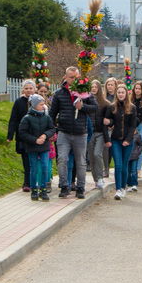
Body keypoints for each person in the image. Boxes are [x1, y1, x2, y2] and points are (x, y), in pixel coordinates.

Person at [48, 67, 97, 199]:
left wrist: (83, 107)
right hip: (64, 132)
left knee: (80, 162)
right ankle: (64, 186)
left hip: (80, 133)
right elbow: (52, 114)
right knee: (62, 159)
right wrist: (52, 130)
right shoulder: (59, 93)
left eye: (76, 77)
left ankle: (80, 188)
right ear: (66, 77)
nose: (73, 80)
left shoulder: (85, 92)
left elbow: (95, 108)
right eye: (71, 77)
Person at [17, 94, 56, 201]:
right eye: (41, 104)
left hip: (44, 146)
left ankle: (43, 189)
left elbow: (52, 129)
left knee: (44, 167)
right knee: (33, 168)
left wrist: (45, 135)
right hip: (32, 147)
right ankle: (34, 190)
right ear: (34, 105)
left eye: (44, 104)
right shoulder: (27, 118)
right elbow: (22, 133)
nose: (43, 106)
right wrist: (35, 140)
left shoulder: (46, 117)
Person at [104, 84, 137, 200]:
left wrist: (128, 140)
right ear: (116, 94)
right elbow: (108, 122)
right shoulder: (112, 107)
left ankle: (123, 187)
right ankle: (118, 189)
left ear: (126, 94)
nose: (121, 94)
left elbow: (133, 126)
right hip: (115, 140)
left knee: (124, 165)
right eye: (119, 93)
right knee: (117, 164)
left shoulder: (132, 107)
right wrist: (109, 122)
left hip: (127, 140)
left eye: (123, 92)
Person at [7, 79, 36, 192]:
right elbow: (13, 119)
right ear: (23, 90)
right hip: (23, 136)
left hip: (36, 136)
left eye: (31, 88)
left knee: (35, 161)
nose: (28, 90)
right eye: (26, 88)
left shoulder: (38, 101)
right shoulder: (19, 102)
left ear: (34, 89)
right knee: (26, 160)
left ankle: (37, 181)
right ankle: (27, 183)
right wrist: (10, 135)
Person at [88, 80, 110, 190]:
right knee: (91, 157)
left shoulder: (105, 103)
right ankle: (96, 179)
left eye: (95, 87)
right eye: (91, 86)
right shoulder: (86, 101)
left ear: (99, 88)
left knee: (97, 154)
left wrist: (109, 122)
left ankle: (100, 177)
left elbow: (110, 118)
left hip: (100, 132)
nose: (93, 88)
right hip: (89, 132)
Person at [127, 82, 142, 190]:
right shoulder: (131, 100)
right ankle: (131, 170)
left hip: (140, 125)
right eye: (136, 88)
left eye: (139, 88)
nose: (137, 90)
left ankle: (138, 169)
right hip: (132, 125)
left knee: (139, 148)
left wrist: (135, 126)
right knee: (131, 148)